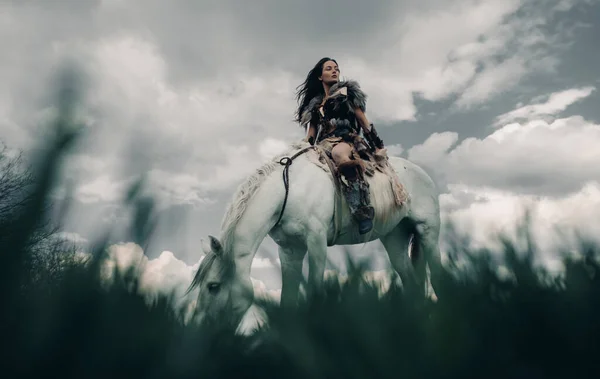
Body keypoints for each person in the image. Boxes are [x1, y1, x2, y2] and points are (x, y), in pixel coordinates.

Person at [294, 57, 387, 234]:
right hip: (322, 145)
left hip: (346, 140)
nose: (334, 71)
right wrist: (301, 149)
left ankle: (362, 210)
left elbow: (363, 121)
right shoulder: (314, 105)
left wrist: (377, 146)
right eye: (329, 68)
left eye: (336, 68)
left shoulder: (347, 93)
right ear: (320, 76)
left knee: (339, 154)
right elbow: (311, 136)